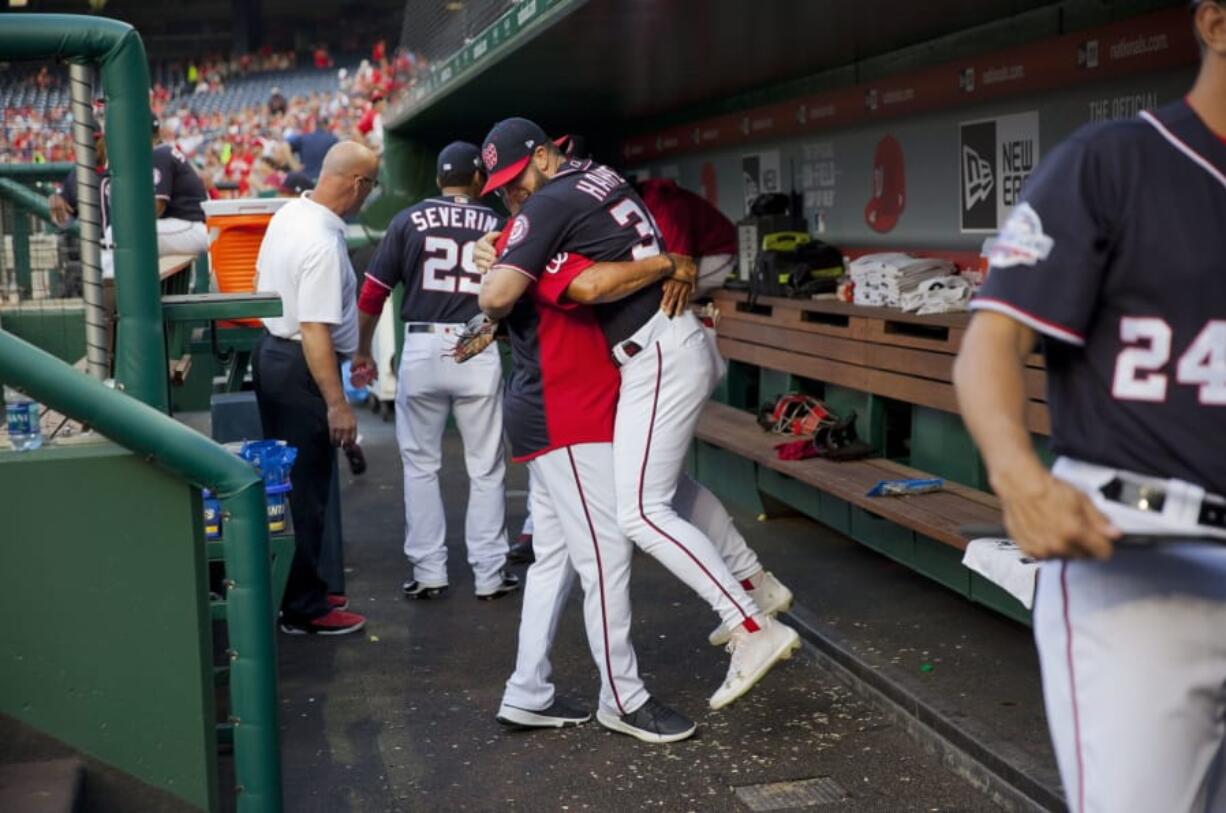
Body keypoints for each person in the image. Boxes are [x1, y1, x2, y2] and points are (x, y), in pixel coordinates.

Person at [952, 3, 1226, 809]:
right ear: (1215, 22)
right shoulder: (1112, 162)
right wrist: (1017, 474)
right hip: (1136, 557)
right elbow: (990, 346)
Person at [479, 117, 798, 723]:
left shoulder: (547, 208)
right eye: (501, 188)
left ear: (544, 157)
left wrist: (497, 263)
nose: (511, 194)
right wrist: (667, 263)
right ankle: (751, 586)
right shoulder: (597, 179)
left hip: (644, 359)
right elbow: (571, 271)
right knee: (651, 499)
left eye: (515, 178)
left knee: (641, 513)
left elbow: (521, 292)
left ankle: (745, 623)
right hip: (649, 355)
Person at [350, 142, 518, 601]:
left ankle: (429, 573)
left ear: (440, 179)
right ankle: (489, 574)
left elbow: (372, 295)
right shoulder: (497, 222)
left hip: (423, 342)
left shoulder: (408, 219)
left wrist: (363, 351)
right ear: (478, 179)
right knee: (485, 466)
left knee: (420, 465)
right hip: (475, 337)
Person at [252, 141, 379, 636]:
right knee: (303, 490)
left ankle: (302, 587)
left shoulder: (291, 212)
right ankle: (303, 608)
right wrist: (337, 403)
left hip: (274, 354)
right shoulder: (323, 242)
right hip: (299, 365)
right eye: (370, 186)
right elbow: (314, 330)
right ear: (356, 185)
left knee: (292, 487)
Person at [634, 177, 737, 297]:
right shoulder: (640, 205)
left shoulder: (663, 203)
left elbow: (679, 265)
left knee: (668, 296)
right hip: (693, 255)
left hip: (721, 252)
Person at [151, 119, 209, 257]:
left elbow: (158, 206)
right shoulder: (164, 151)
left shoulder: (159, 153)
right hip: (188, 226)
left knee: (125, 234)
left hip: (191, 226)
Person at [288, 118, 340, 182]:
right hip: (324, 181)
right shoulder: (333, 139)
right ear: (327, 126)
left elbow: (285, 145)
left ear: (315, 126)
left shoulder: (304, 137)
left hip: (306, 180)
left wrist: (294, 165)